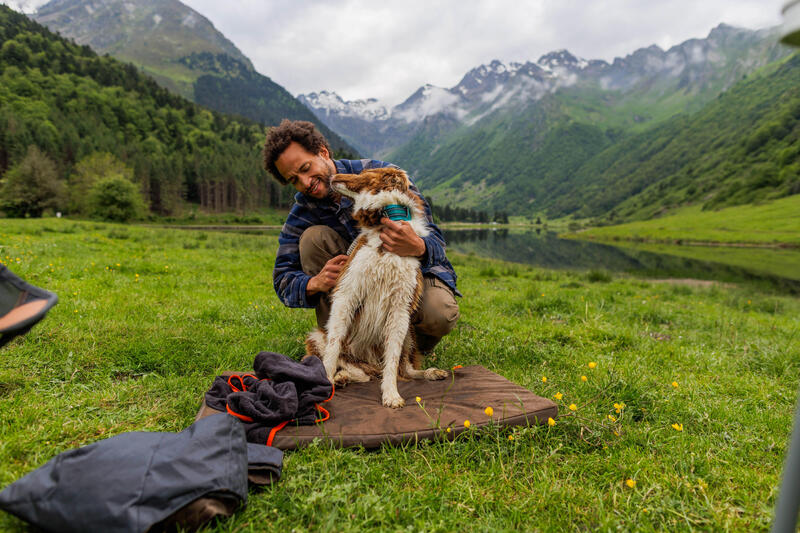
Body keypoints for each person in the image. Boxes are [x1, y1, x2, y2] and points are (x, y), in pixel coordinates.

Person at [263, 119, 460, 354]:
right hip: (359, 292)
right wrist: (314, 283)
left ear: (323, 152)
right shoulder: (302, 212)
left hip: (405, 278)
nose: (305, 183)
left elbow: (437, 242)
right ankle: (343, 348)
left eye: (305, 168)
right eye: (294, 180)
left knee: (440, 313)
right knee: (312, 238)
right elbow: (282, 279)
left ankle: (408, 351)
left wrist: (419, 246)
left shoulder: (385, 176)